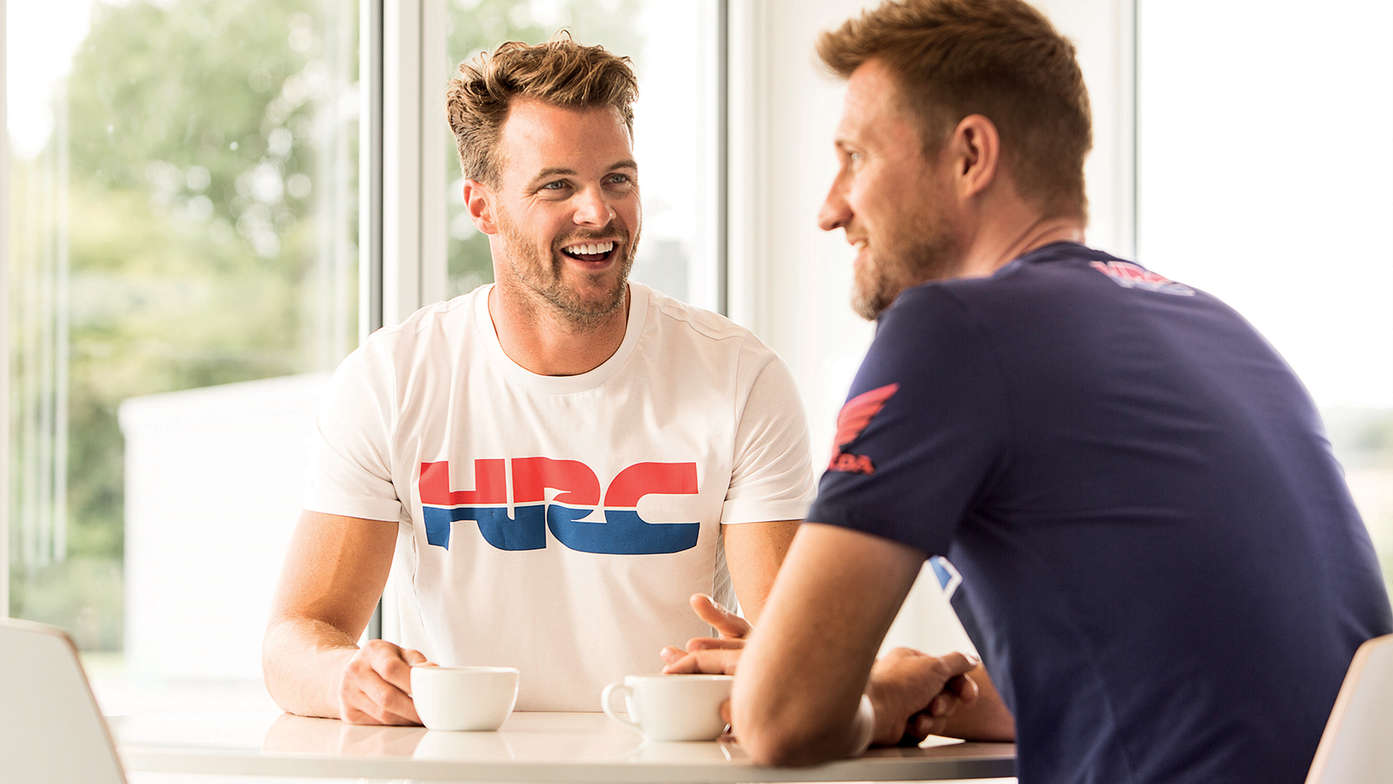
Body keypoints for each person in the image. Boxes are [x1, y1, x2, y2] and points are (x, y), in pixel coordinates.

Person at [661, 0, 1393, 780]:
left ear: (970, 154)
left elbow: (778, 722)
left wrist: (850, 694)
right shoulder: (1214, 326)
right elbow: (1188, 668)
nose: (830, 206)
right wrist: (942, 689)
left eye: (856, 157)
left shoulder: (952, 328)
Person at [262, 35, 814, 723]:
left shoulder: (738, 378)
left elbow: (799, 654)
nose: (599, 212)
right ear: (481, 206)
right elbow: (293, 642)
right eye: (558, 185)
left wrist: (775, 662)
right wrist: (346, 676)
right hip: (460, 769)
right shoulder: (392, 380)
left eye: (618, 177)